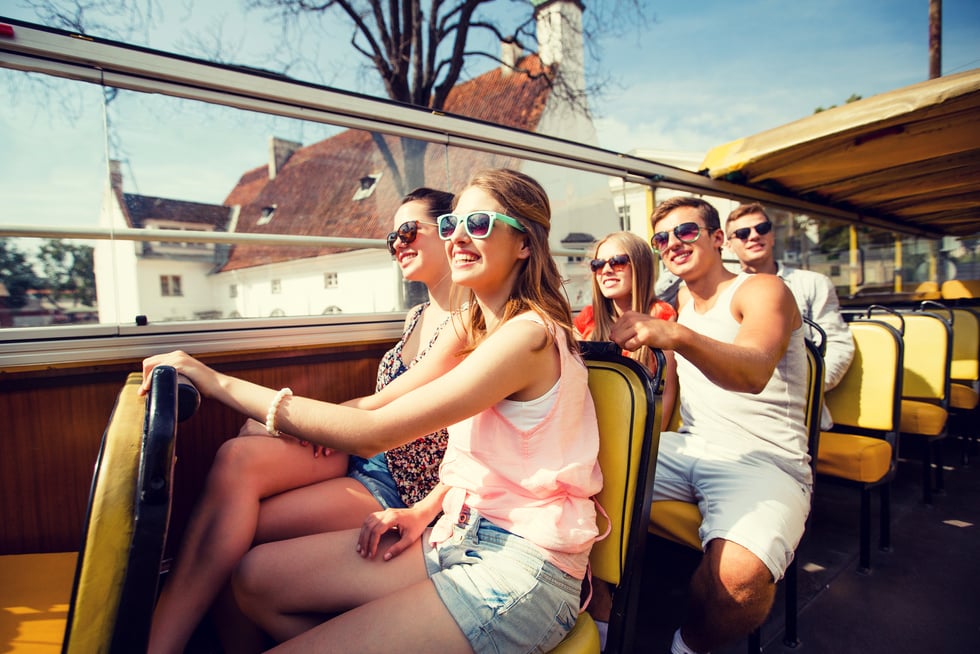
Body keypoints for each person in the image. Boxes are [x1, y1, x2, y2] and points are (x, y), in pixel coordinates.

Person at [142, 168, 603, 654]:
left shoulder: (527, 337)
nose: (459, 238)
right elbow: (421, 422)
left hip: (521, 565)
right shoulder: (476, 324)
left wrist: (214, 380)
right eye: (451, 226)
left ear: (525, 244)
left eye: (481, 224)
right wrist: (425, 510)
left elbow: (373, 432)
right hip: (456, 529)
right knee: (255, 578)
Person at [146, 188, 465, 654]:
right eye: (390, 237)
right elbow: (375, 402)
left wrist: (293, 420)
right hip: (366, 453)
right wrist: (308, 424)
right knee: (238, 457)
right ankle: (154, 643)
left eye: (407, 230)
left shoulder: (468, 322)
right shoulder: (417, 315)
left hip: (402, 482)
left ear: (449, 230)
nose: (397, 243)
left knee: (237, 539)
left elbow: (387, 412)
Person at [610, 196, 810, 654]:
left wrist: (676, 335)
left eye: (686, 232)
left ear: (718, 239)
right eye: (662, 238)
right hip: (689, 447)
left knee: (739, 579)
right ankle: (600, 619)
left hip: (765, 459)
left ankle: (687, 646)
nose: (672, 243)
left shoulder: (761, 290)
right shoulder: (672, 301)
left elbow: (754, 371)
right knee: (575, 472)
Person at [724, 202, 855, 429]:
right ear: (727, 244)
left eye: (761, 228)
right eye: (743, 233)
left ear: (772, 235)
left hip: (798, 414)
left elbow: (838, 345)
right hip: (737, 411)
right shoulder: (724, 292)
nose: (754, 236)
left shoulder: (813, 283)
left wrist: (803, 386)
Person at [575, 230, 678, 429]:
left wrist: (650, 444)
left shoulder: (660, 315)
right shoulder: (587, 319)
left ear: (641, 267)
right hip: (592, 424)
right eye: (597, 265)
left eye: (617, 262)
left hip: (636, 428)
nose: (606, 270)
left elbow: (666, 392)